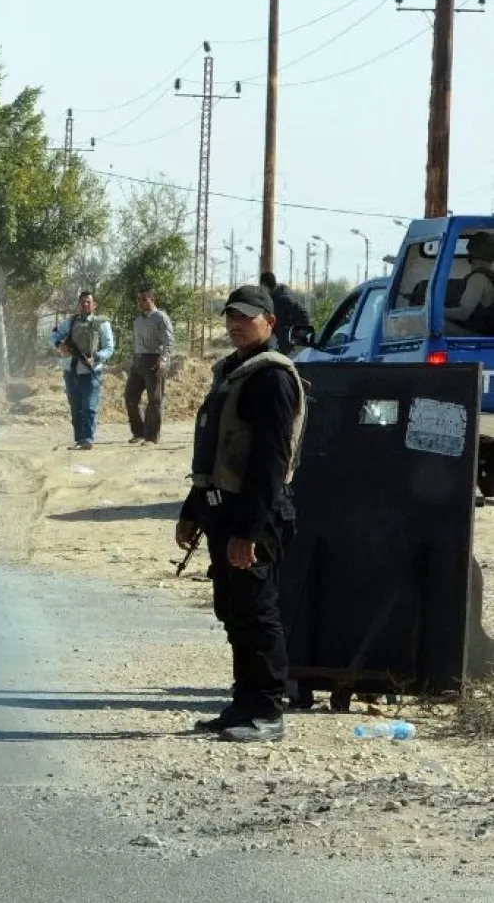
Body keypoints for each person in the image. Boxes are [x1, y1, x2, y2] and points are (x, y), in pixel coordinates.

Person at [177, 285, 306, 743]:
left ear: (268, 323)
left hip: (257, 514)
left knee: (257, 611)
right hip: (224, 511)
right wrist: (192, 511)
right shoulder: (235, 372)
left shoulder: (271, 378)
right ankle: (244, 703)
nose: (235, 323)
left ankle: (268, 710)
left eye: (246, 317)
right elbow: (213, 453)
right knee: (234, 612)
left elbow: (270, 462)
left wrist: (249, 531)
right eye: (230, 315)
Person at [49, 291, 114, 450]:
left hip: (91, 372)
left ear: (94, 304)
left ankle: (87, 439)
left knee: (89, 407)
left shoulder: (102, 324)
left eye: (88, 302)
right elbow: (53, 337)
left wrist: (96, 358)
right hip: (71, 371)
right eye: (82, 302)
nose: (85, 305)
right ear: (79, 304)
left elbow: (109, 347)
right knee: (75, 408)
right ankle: (79, 439)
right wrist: (59, 345)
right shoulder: (71, 322)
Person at [125, 288, 175, 445]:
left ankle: (151, 437)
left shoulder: (161, 318)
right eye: (139, 299)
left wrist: (164, 359)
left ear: (153, 300)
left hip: (155, 360)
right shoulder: (138, 320)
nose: (140, 302)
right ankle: (138, 432)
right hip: (138, 361)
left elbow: (169, 341)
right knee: (130, 397)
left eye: (144, 299)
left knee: (154, 400)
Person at [445, 231, 494, 335]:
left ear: (473, 254)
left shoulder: (479, 278)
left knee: (434, 323)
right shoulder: (489, 275)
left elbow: (463, 314)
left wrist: (437, 312)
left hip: (477, 334)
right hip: (486, 332)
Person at [259, 272, 311, 356]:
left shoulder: (283, 298)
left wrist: (295, 336)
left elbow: (304, 314)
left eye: (261, 287)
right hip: (282, 345)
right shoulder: (273, 299)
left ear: (265, 285)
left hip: (290, 347)